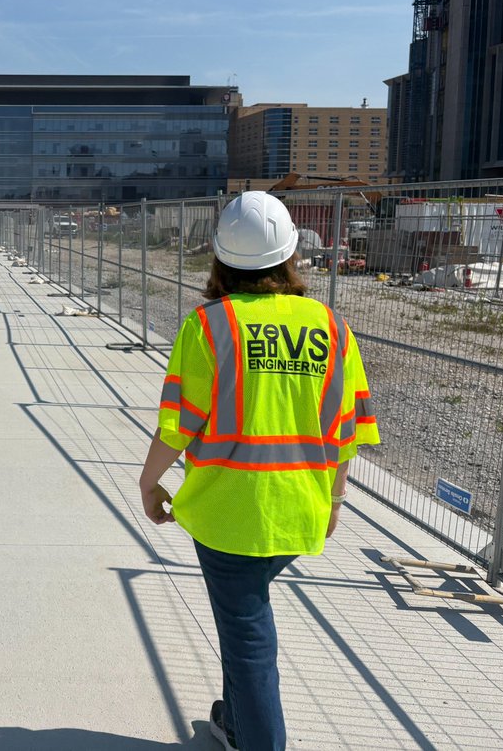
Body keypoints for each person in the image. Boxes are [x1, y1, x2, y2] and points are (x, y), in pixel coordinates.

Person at [138, 192, 379, 751]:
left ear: (220, 258)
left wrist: (150, 483)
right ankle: (237, 721)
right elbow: (346, 431)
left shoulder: (209, 326)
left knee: (248, 639)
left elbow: (178, 425)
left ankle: (259, 740)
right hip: (299, 510)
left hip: (229, 516)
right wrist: (335, 503)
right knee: (242, 620)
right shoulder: (330, 326)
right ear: (290, 254)